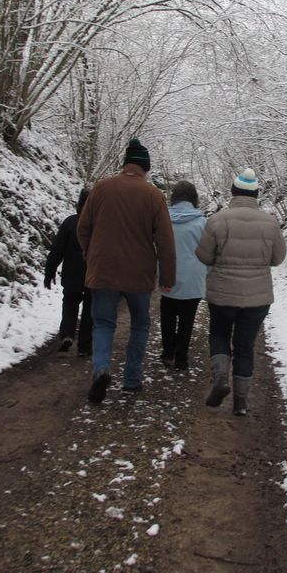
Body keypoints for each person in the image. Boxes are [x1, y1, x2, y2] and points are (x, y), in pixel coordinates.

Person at [77, 138, 176, 403]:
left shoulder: (101, 188)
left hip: (104, 271)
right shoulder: (154, 195)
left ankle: (101, 368)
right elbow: (165, 240)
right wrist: (167, 277)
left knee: (104, 323)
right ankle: (132, 380)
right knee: (141, 324)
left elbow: (83, 228)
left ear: (125, 164)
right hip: (139, 275)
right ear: (145, 167)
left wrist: (91, 257)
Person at [195, 167, 286, 416]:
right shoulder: (270, 223)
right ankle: (241, 401)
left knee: (220, 334)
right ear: (256, 194)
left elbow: (203, 255)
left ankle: (221, 378)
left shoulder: (217, 220)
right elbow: (278, 258)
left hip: (223, 293)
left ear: (233, 192)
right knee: (245, 345)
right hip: (257, 297)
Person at [159, 180, 207, 370]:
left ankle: (167, 352)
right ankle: (181, 357)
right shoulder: (203, 223)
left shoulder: (162, 220)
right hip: (194, 279)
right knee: (187, 319)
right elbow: (209, 251)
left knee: (167, 315)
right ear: (194, 199)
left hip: (168, 275)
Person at [43, 187, 92, 356]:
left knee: (70, 303)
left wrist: (49, 271)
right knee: (89, 310)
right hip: (93, 274)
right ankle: (85, 346)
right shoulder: (99, 225)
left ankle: (67, 334)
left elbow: (57, 249)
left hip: (72, 274)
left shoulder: (70, 222)